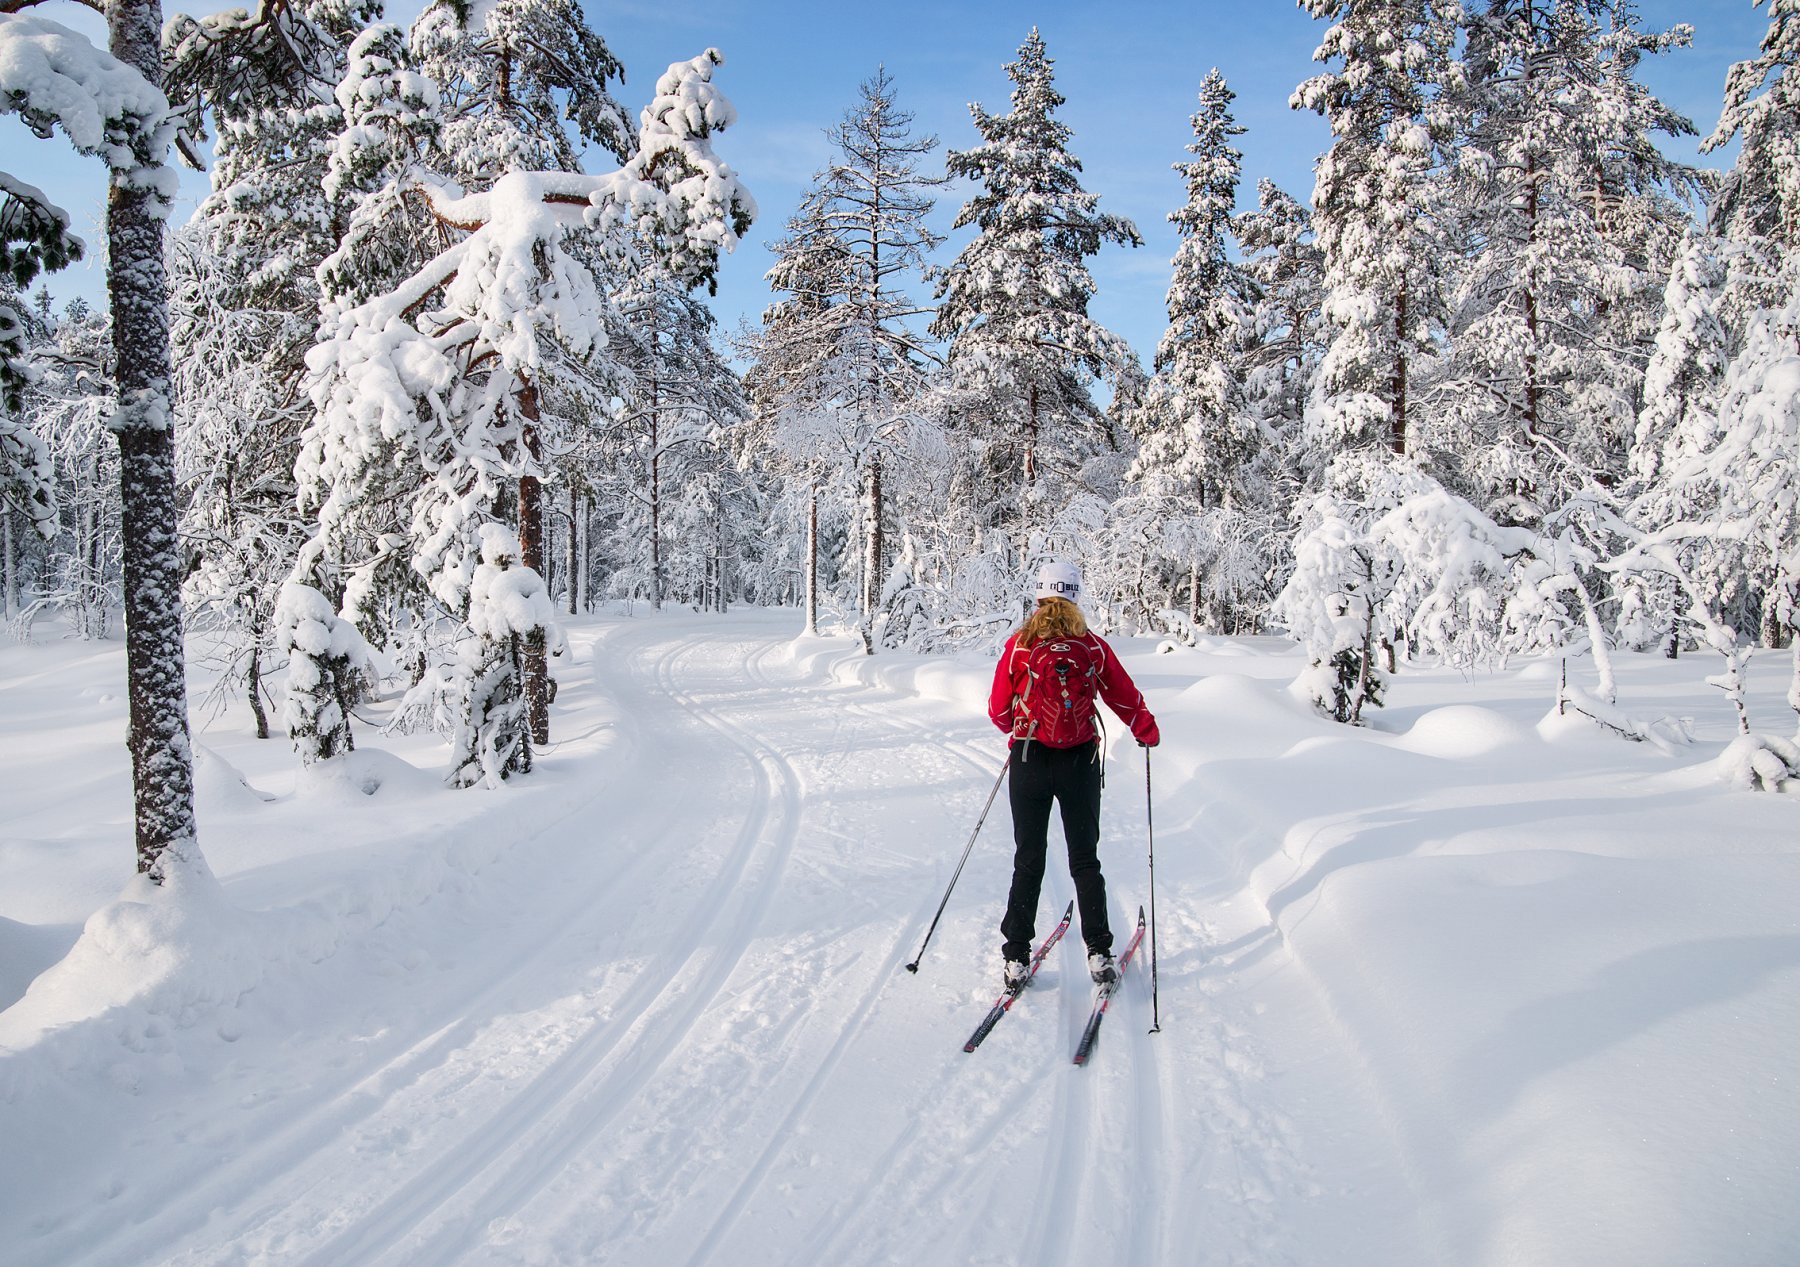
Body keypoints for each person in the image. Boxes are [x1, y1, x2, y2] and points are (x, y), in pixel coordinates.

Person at [987, 561, 1159, 990]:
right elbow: (1122, 693)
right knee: (1085, 859)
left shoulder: (1019, 647)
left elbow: (998, 712)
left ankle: (1016, 957)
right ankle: (1099, 950)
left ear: (1040, 596)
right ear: (1076, 596)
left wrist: (1023, 722)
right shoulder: (1092, 645)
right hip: (1079, 762)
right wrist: (1145, 728)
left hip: (1028, 759)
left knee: (1029, 858)